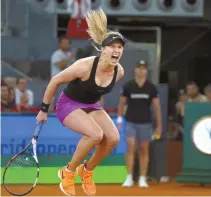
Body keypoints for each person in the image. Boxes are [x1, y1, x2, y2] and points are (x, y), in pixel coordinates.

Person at [36, 9, 125, 196]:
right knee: (95, 135)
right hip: (68, 105)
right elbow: (55, 81)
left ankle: (86, 170)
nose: (117, 50)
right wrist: (44, 109)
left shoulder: (119, 72)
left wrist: (95, 111)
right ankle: (68, 172)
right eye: (113, 46)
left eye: (120, 47)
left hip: (91, 105)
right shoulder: (84, 66)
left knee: (113, 138)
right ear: (103, 49)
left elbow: (96, 92)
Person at [117, 61, 162, 188]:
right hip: (130, 121)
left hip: (146, 123)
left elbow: (157, 108)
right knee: (131, 148)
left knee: (143, 150)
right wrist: (120, 120)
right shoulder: (128, 86)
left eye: (144, 68)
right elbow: (121, 104)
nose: (141, 71)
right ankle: (129, 177)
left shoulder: (151, 88)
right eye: (139, 68)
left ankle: (142, 178)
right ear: (135, 70)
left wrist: (159, 126)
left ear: (146, 71)